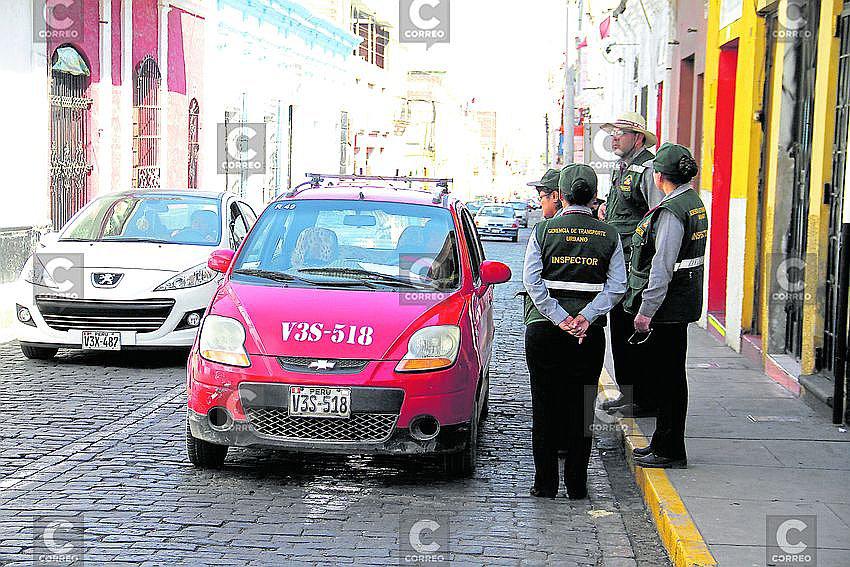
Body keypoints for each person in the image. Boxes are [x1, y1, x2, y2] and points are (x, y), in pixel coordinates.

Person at [522, 164, 626, 499]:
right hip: (588, 335)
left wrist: (559, 317)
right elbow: (617, 286)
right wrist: (585, 317)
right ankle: (577, 486)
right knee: (582, 408)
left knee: (544, 405)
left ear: (561, 195)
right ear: (594, 196)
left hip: (544, 330)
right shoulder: (609, 234)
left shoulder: (543, 231)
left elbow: (531, 282)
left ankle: (545, 485)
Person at [623, 143, 707, 469]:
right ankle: (663, 443)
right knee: (670, 377)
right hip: (682, 302)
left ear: (659, 176)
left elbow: (662, 267)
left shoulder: (672, 211)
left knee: (668, 380)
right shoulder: (693, 202)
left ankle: (670, 450)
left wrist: (646, 311)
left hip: (668, 308)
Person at [598, 112, 664, 417]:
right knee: (620, 330)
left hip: (636, 268)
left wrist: (647, 266)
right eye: (613, 133)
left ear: (637, 138)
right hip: (619, 265)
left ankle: (645, 398)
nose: (614, 138)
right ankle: (628, 393)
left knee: (634, 332)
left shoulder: (648, 170)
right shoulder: (621, 168)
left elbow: (656, 216)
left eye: (620, 133)